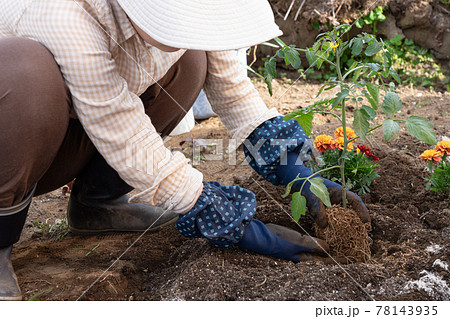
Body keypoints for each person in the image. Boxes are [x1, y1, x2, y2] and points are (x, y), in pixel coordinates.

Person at [0, 0, 370, 301]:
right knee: (25, 73)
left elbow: (233, 91)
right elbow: (122, 130)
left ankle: (98, 202)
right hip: (19, 145)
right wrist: (227, 220)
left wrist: (299, 171)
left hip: (73, 135)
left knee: (192, 61)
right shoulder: (62, 13)